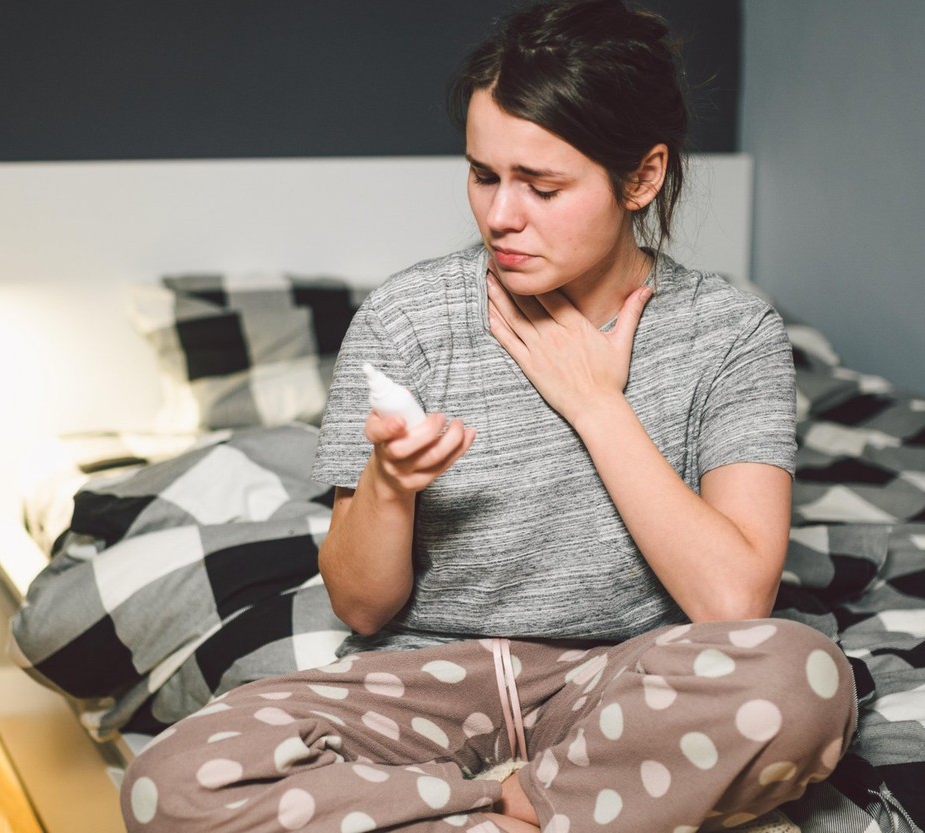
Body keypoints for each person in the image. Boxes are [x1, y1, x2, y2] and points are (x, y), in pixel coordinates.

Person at [121, 2, 857, 831]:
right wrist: (390, 486)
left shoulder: (733, 332)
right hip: (426, 682)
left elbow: (732, 601)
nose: (502, 216)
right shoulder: (409, 319)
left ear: (642, 177)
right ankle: (512, 809)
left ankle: (524, 801)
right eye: (483, 175)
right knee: (171, 784)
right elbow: (360, 608)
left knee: (802, 680)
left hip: (627, 685)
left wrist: (596, 403)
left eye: (542, 186)